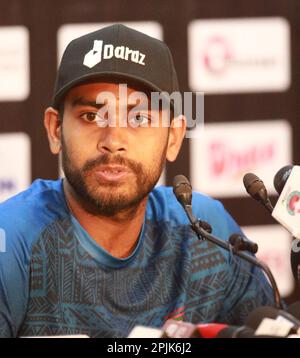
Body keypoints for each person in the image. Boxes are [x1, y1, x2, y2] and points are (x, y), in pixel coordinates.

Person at [0, 24, 273, 338]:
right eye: (91, 116)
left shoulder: (205, 230)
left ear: (173, 137)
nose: (113, 140)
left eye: (139, 118)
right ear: (55, 129)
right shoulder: (12, 241)